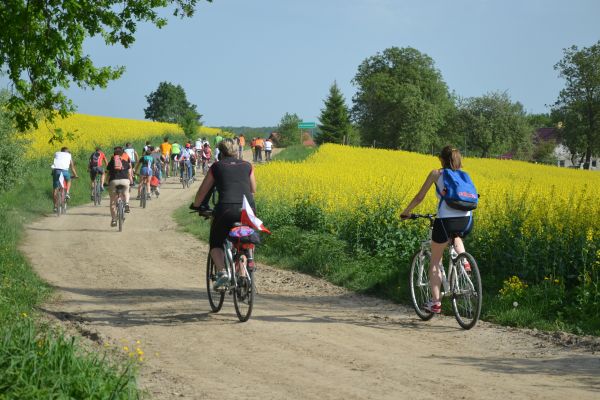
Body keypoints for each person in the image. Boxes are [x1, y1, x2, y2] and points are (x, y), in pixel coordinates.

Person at [400, 146, 474, 314]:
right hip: (467, 219)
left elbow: (420, 197)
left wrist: (406, 212)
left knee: (435, 261)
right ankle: (464, 261)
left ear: (441, 159)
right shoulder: (464, 174)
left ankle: (435, 303)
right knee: (456, 235)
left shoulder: (437, 174)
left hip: (445, 221)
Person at [190, 138, 256, 288]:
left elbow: (203, 190)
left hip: (225, 209)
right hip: (247, 209)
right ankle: (243, 274)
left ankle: (223, 272)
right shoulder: (247, 165)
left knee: (216, 242)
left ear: (220, 152)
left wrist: (196, 205)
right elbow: (253, 189)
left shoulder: (217, 166)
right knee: (244, 241)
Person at [107, 147, 132, 226]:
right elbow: (129, 174)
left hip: (114, 181)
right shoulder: (125, 162)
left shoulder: (111, 162)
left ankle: (114, 220)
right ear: (122, 154)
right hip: (125, 181)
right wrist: (131, 181)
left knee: (112, 202)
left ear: (114, 155)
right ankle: (127, 203)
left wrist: (105, 182)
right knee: (126, 192)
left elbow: (108, 173)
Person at [51, 147, 78, 211]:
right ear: (67, 152)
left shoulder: (57, 153)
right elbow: (72, 167)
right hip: (65, 172)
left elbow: (55, 163)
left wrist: (53, 173)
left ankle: (55, 206)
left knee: (55, 189)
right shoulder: (69, 155)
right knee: (69, 180)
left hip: (56, 171)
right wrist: (75, 175)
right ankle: (67, 193)